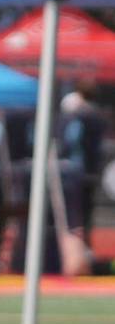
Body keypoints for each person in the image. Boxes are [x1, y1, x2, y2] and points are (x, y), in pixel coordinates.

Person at [57, 79, 106, 248]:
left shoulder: (79, 117)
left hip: (75, 170)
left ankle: (76, 247)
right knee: (86, 212)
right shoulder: (98, 116)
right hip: (90, 170)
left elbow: (72, 141)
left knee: (73, 212)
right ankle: (85, 246)